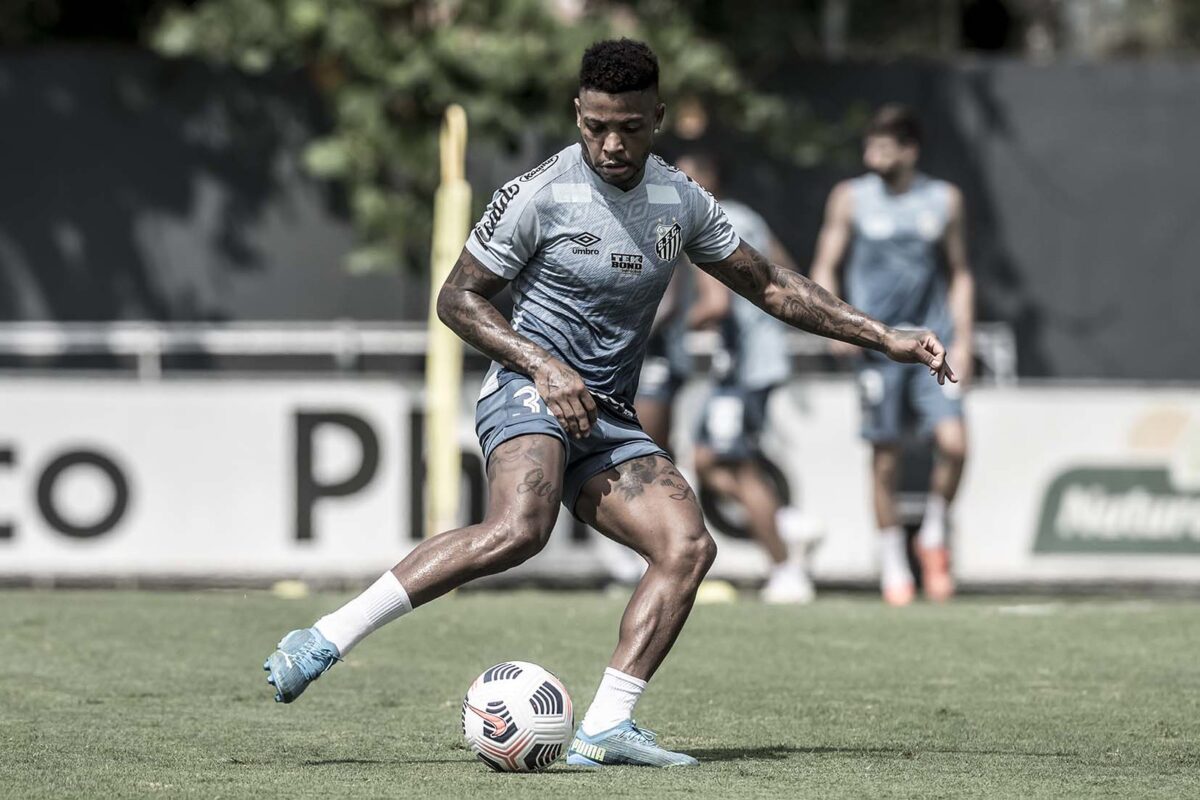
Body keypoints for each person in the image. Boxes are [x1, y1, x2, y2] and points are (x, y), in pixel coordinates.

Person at [263, 41, 954, 768]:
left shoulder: (679, 199)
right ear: (578, 115)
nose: (611, 143)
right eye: (596, 126)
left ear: (657, 117)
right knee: (520, 529)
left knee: (687, 547)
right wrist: (541, 363)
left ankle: (604, 728)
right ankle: (327, 636)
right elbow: (457, 298)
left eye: (629, 126)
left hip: (607, 415)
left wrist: (886, 337)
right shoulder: (540, 192)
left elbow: (772, 285)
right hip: (528, 390)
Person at [809, 104, 974, 607]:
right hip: (876, 346)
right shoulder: (850, 198)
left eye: (882, 146)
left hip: (931, 345)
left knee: (954, 444)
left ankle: (931, 534)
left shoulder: (943, 199)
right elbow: (825, 263)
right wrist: (833, 322)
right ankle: (894, 563)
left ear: (909, 150)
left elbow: (960, 271)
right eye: (868, 146)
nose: (870, 155)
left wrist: (964, 339)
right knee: (886, 459)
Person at [675, 151, 820, 604]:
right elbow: (785, 271)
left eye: (689, 175)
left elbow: (715, 306)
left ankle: (786, 569)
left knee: (730, 464)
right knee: (707, 460)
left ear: (710, 177)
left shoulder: (705, 224)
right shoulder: (749, 217)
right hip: (762, 358)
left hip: (744, 365)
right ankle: (788, 524)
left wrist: (676, 322)